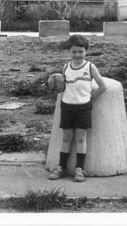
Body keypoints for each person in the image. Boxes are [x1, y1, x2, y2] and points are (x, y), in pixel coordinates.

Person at [48, 34, 107, 182]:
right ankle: (61, 167)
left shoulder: (89, 67)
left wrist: (90, 98)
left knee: (81, 138)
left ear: (86, 52)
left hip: (83, 108)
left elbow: (103, 86)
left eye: (80, 51)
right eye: (74, 51)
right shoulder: (66, 67)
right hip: (67, 107)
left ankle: (79, 169)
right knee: (67, 137)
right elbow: (63, 86)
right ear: (69, 51)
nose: (77, 55)